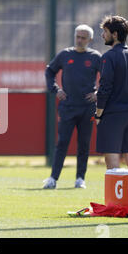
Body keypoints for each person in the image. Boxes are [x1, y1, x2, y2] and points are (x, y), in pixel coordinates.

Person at [43, 24, 102, 189]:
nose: (79, 40)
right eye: (78, 36)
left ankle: (80, 178)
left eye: (83, 37)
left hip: (87, 108)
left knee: (84, 143)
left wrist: (98, 94)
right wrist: (55, 89)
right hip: (68, 107)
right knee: (62, 142)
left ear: (90, 39)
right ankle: (53, 178)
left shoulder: (96, 57)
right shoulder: (65, 54)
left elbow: (107, 78)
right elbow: (49, 71)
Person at [95, 15, 128, 169]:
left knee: (112, 162)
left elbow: (105, 88)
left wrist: (98, 114)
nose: (103, 35)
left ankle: (114, 195)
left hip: (113, 115)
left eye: (105, 31)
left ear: (115, 34)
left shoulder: (108, 57)